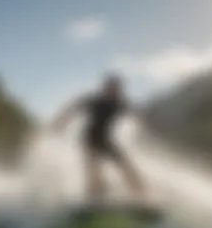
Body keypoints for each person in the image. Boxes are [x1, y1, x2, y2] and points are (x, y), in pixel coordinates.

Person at [50, 73, 147, 202]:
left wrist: (145, 124)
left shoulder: (121, 103)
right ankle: (92, 199)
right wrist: (61, 122)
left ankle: (142, 197)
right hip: (89, 140)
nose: (115, 92)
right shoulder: (96, 101)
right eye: (112, 88)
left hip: (106, 141)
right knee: (94, 174)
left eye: (117, 89)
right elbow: (75, 107)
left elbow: (136, 114)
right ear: (106, 89)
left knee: (128, 168)